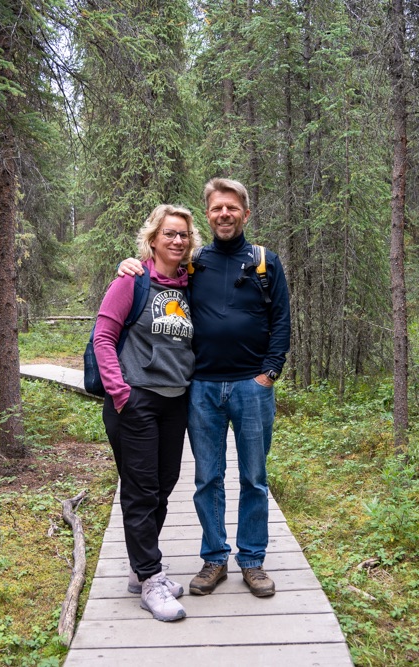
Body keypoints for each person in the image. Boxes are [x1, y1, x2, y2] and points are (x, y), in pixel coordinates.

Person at [119, 178, 291, 598]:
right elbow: (157, 273)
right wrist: (131, 264)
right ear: (208, 215)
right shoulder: (193, 264)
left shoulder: (265, 262)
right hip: (202, 388)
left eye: (231, 207)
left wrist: (269, 373)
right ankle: (215, 558)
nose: (224, 214)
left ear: (245, 213)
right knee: (207, 477)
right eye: (216, 208)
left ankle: (252, 561)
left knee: (254, 477)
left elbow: (282, 322)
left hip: (252, 387)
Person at [94, 204, 201, 621]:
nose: (177, 240)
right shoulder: (132, 280)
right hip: (136, 399)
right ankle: (150, 578)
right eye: (169, 233)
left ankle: (142, 569)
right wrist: (120, 393)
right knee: (140, 490)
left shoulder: (189, 284)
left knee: (163, 485)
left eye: (183, 234)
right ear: (153, 239)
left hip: (175, 401)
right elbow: (103, 337)